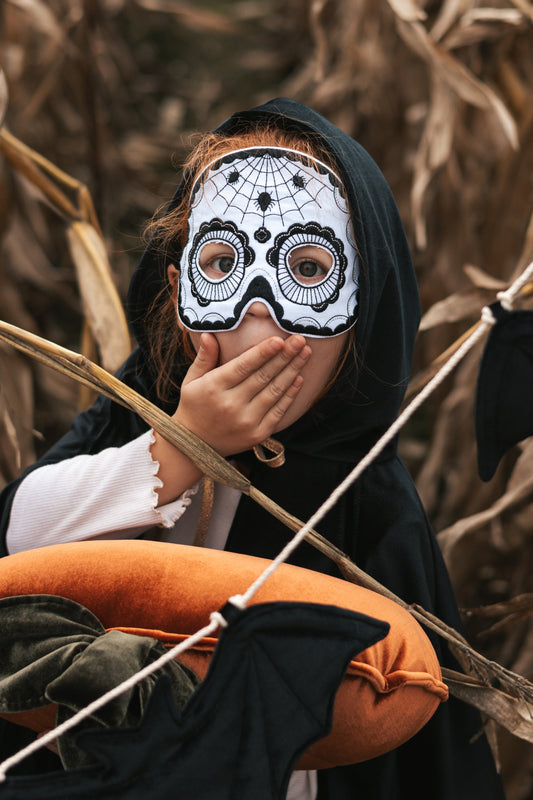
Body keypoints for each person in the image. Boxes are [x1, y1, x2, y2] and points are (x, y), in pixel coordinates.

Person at [0, 98, 505, 799]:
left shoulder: (370, 504)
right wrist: (178, 447)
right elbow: (18, 545)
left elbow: (407, 757)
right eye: (221, 262)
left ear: (361, 306)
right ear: (178, 292)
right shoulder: (133, 416)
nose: (259, 315)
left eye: (305, 269)